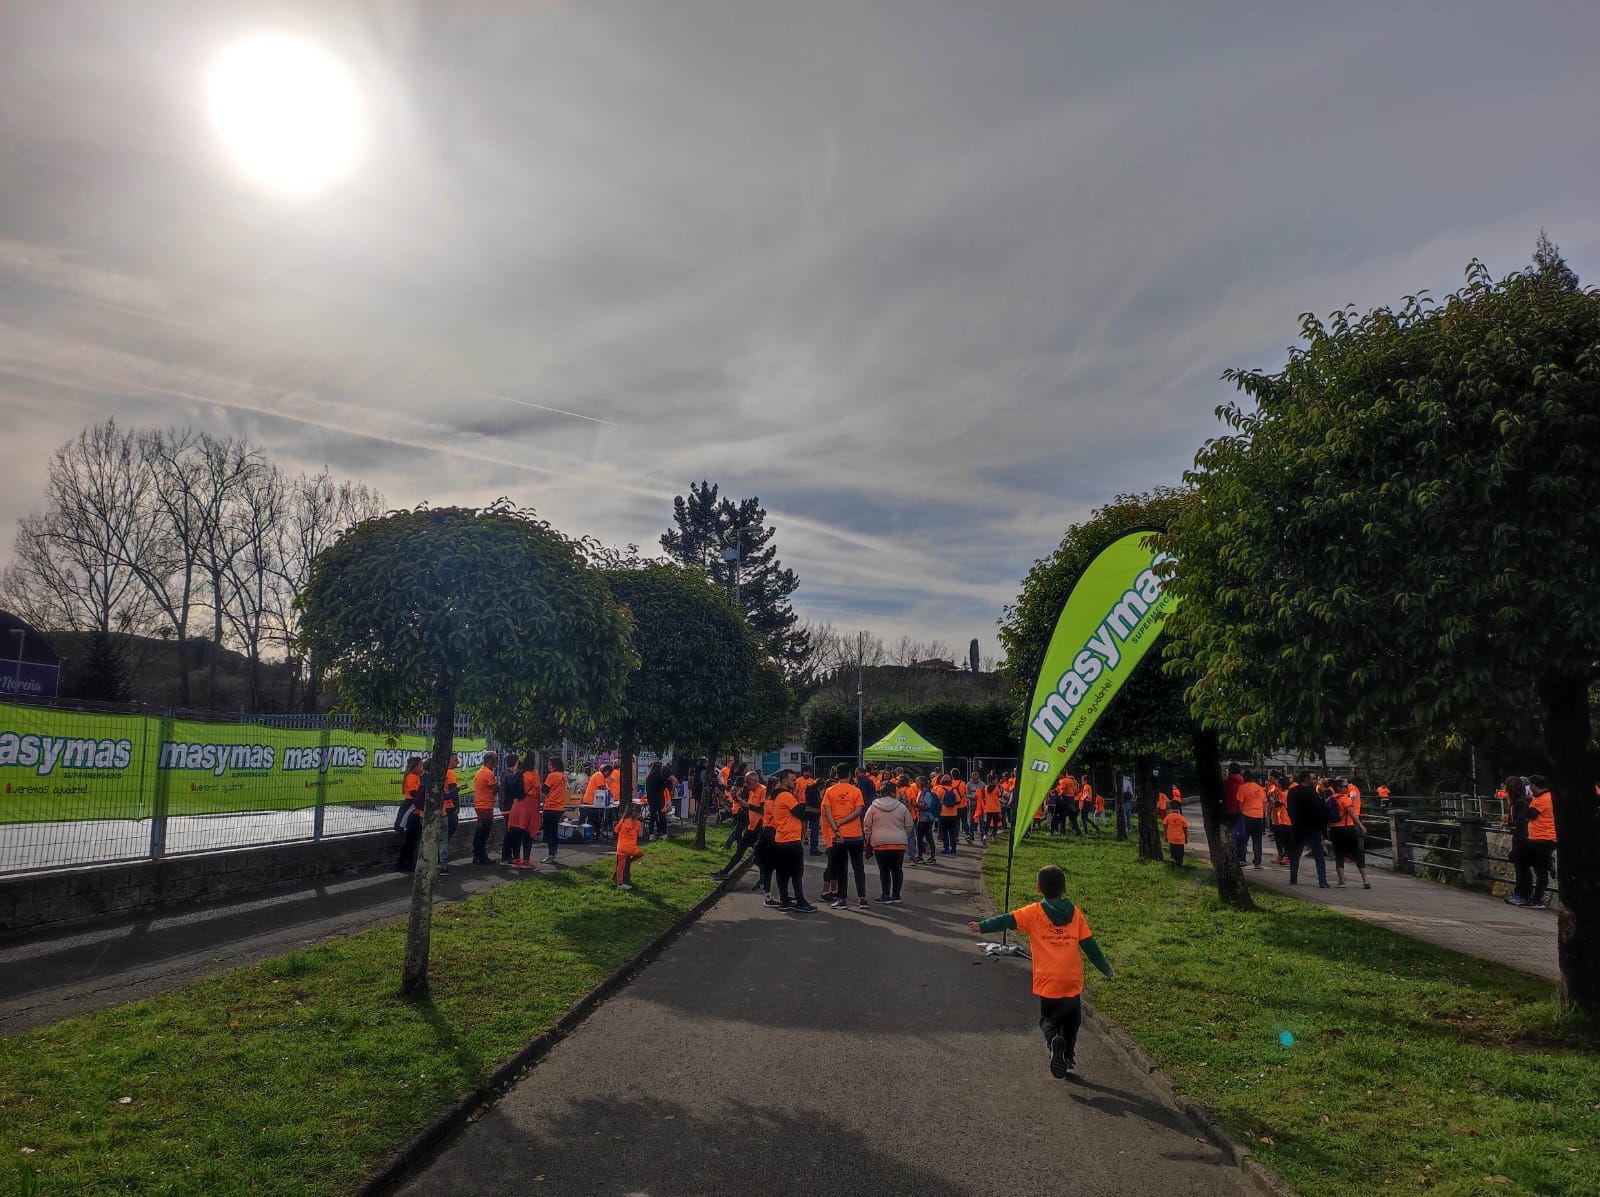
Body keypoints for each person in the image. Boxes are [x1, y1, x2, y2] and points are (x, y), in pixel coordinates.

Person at [967, 865, 1112, 1079]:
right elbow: (1090, 945)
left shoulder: (1033, 913)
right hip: (1071, 978)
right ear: (1064, 888)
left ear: (1038, 888)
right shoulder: (1076, 914)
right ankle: (1069, 1058)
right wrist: (1106, 969)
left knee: (1047, 1019)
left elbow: (1006, 920)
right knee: (1073, 1021)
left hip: (1048, 979)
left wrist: (982, 926)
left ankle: (1053, 1039)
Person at [822, 763, 869, 910]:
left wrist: (836, 827)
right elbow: (858, 811)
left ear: (836, 774)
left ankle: (842, 899)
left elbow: (827, 812)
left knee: (841, 868)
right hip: (855, 835)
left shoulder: (830, 791)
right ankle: (862, 898)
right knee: (858, 867)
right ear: (850, 774)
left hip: (838, 836)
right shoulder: (856, 791)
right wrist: (843, 821)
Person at [1508, 775, 1557, 908]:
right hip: (1540, 839)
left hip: (1542, 839)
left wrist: (1529, 803)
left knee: (1532, 866)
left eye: (1530, 785)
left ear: (1534, 785)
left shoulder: (1541, 800)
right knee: (1527, 862)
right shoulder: (1548, 797)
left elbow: (1529, 816)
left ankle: (1536, 900)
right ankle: (1534, 897)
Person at [863, 783, 914, 903]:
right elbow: (909, 824)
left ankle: (885, 895)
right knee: (897, 869)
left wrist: (868, 839)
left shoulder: (873, 807)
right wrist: (903, 835)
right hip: (898, 843)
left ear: (880, 793)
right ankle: (896, 896)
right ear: (893, 792)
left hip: (880, 843)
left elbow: (867, 825)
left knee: (884, 870)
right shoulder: (901, 807)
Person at [1286, 770, 1330, 888]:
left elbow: (1289, 808)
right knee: (1318, 855)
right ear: (1306, 779)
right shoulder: (1312, 793)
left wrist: (1294, 821)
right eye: (1313, 778)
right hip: (1312, 828)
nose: (1315, 781)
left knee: (1295, 854)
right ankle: (1322, 881)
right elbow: (1319, 812)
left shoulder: (1292, 792)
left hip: (1297, 827)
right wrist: (1323, 830)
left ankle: (1293, 878)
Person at [1328, 778, 1370, 889]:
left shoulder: (1329, 800)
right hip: (1347, 828)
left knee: (1339, 855)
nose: (1347, 788)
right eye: (1345, 786)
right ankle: (1365, 880)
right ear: (1338, 788)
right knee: (1357, 853)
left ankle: (1342, 881)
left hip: (1334, 830)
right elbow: (1352, 813)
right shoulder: (1345, 799)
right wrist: (1361, 825)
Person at [394, 756, 424, 872]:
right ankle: (403, 863)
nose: (421, 768)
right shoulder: (412, 777)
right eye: (420, 766)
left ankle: (408, 862)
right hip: (411, 807)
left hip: (415, 808)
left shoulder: (417, 777)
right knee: (411, 838)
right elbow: (413, 793)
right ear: (414, 766)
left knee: (414, 838)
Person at [471, 751, 499, 865]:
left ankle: (479, 855)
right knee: (483, 832)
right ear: (490, 760)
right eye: (495, 758)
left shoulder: (482, 771)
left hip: (483, 805)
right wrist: (499, 786)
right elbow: (495, 788)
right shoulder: (488, 773)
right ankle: (479, 856)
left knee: (481, 831)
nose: (497, 761)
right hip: (484, 806)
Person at [1236, 770, 1267, 870]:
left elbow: (1240, 805)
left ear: (1244, 777)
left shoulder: (1243, 788)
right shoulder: (1260, 789)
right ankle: (1257, 862)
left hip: (1247, 816)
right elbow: (1264, 803)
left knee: (1243, 839)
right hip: (1259, 817)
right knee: (1257, 840)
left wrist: (1242, 815)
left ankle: (1242, 859)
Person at [436, 753, 461, 875]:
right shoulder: (450, 773)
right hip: (449, 808)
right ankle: (442, 861)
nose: (458, 762)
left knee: (441, 836)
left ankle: (438, 858)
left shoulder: (441, 772)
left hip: (443, 807)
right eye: (455, 760)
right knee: (446, 836)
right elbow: (453, 792)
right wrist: (457, 807)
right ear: (449, 760)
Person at [498, 752, 525, 864]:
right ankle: (507, 856)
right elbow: (516, 792)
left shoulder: (504, 774)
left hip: (505, 806)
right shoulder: (511, 776)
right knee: (511, 833)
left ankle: (510, 856)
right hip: (510, 807)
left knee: (511, 832)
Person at [540, 759, 568, 864]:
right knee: (554, 831)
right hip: (559, 807)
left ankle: (551, 854)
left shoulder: (552, 776)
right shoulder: (562, 776)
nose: (548, 766)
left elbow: (544, 790)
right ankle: (553, 853)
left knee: (549, 832)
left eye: (550, 764)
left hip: (550, 806)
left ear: (555, 765)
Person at [614, 799, 644, 890]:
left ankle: (619, 883)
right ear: (638, 813)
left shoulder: (623, 821)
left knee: (620, 866)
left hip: (622, 847)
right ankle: (630, 860)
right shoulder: (638, 823)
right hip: (632, 848)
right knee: (640, 854)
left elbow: (615, 830)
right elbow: (640, 835)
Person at [644, 761, 673, 843]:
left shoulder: (649, 777)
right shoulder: (660, 777)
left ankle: (651, 834)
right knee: (662, 816)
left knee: (652, 817)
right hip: (659, 799)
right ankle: (664, 834)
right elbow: (663, 787)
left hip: (651, 799)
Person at [1267, 772, 1293, 867]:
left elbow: (1277, 804)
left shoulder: (1282, 794)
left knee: (1281, 839)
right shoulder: (1289, 793)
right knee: (1286, 840)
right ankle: (1285, 856)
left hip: (1282, 820)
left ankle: (1285, 856)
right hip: (1288, 819)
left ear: (1280, 785)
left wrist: (1270, 798)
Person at [914, 775, 939, 863]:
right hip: (921, 817)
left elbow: (926, 805)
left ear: (921, 783)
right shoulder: (921, 792)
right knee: (919, 837)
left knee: (928, 837)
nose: (916, 783)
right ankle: (920, 856)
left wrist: (915, 804)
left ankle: (933, 857)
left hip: (927, 818)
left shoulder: (926, 793)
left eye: (917, 782)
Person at [1224, 763, 1246, 860]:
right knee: (1240, 834)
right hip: (1241, 811)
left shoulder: (1227, 782)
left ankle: (1231, 855)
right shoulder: (1243, 782)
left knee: (1229, 834)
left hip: (1229, 811)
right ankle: (1242, 857)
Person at [938, 774, 961, 855]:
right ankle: (953, 849)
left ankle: (946, 848)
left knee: (944, 832)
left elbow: (937, 801)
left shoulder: (940, 789)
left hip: (943, 814)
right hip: (954, 814)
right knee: (953, 832)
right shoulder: (954, 790)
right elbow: (958, 801)